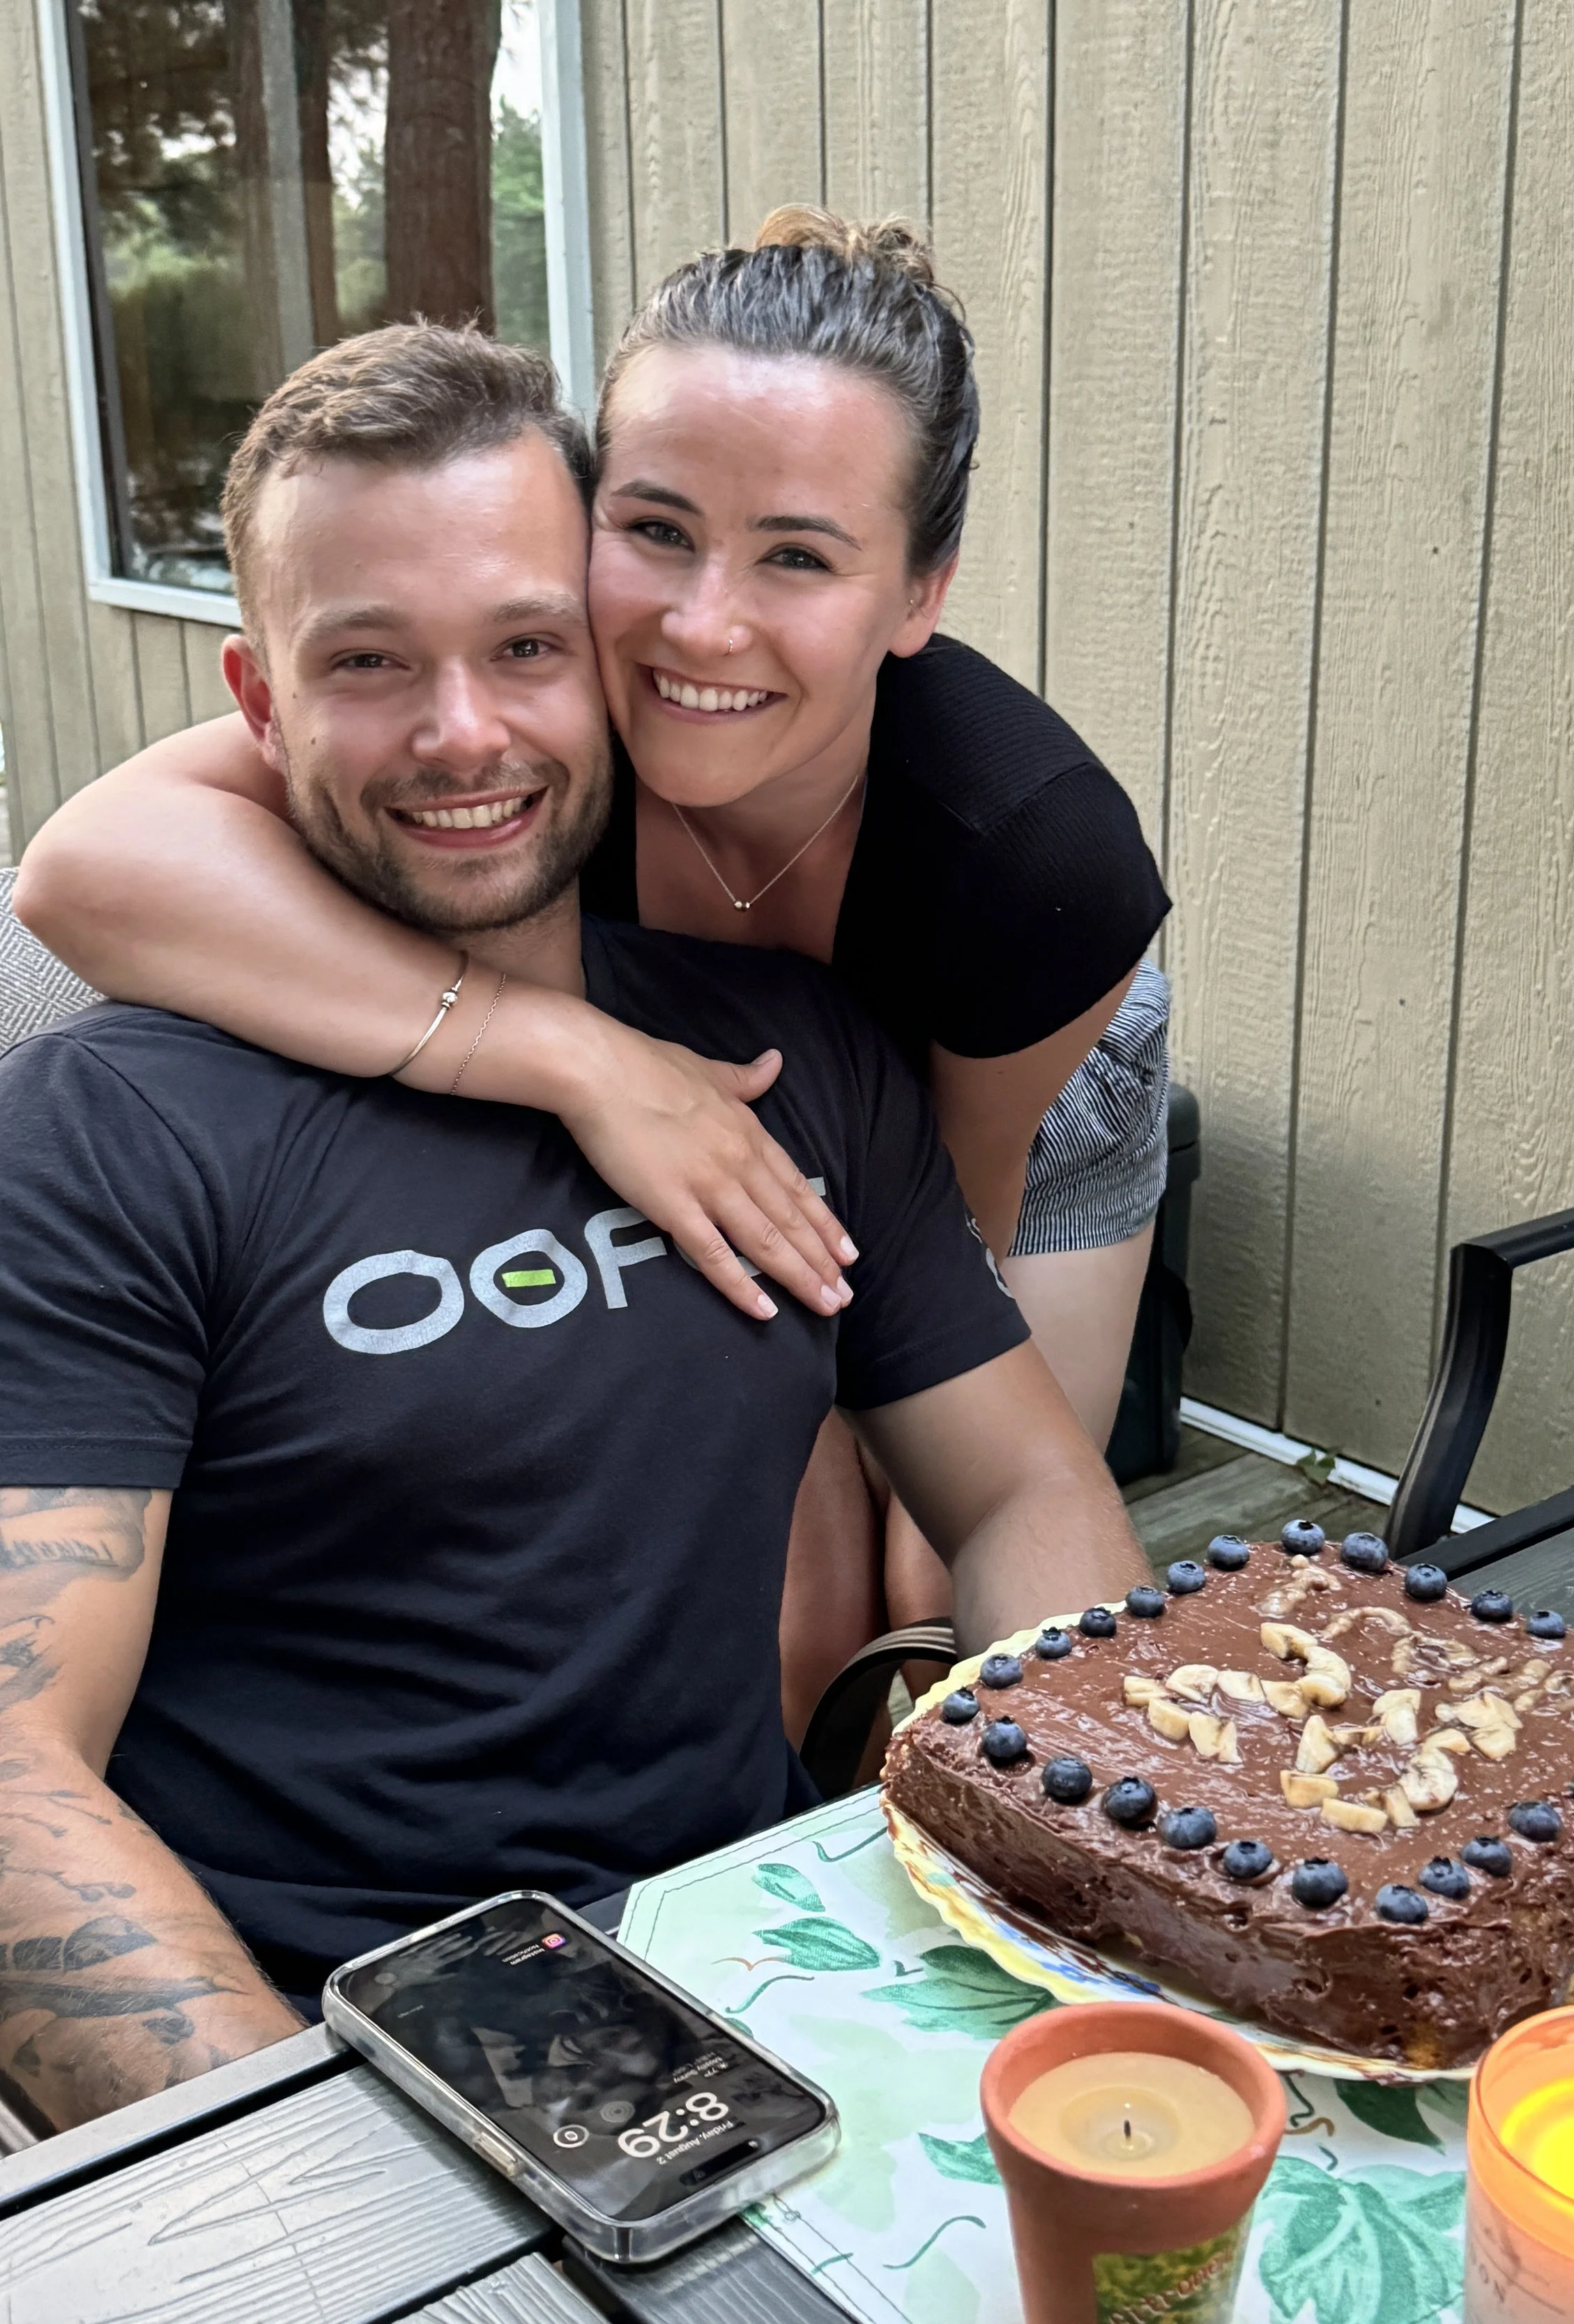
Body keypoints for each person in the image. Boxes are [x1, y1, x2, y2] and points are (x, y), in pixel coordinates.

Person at [0, 326, 1148, 2133]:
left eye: (526, 647)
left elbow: (1014, 1487)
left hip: (774, 1999)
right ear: (256, 697)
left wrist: (1087, 1879)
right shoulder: (110, 1135)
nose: (464, 732)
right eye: (366, 662)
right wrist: (304, 2196)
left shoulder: (798, 1055)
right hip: (327, 2061)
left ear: (603, 668)